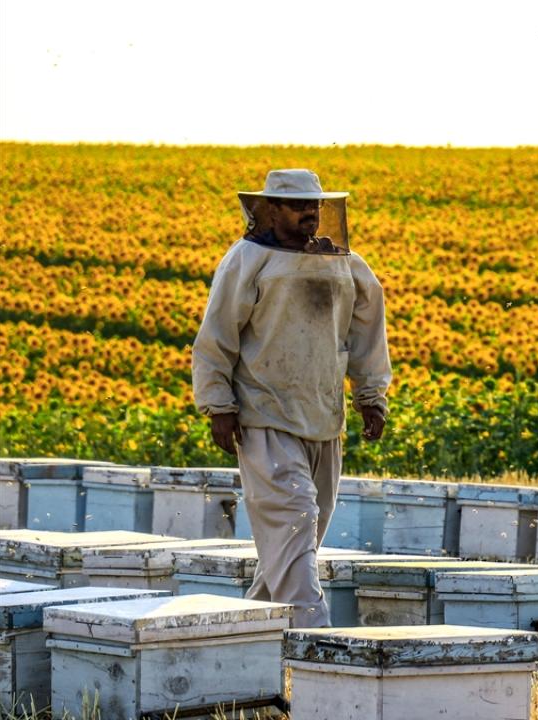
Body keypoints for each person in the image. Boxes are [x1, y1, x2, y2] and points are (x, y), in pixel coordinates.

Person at [192, 168, 391, 627]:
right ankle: (315, 645)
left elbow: (367, 335)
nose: (311, 213)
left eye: (316, 205)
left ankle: (248, 635)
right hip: (264, 417)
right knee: (296, 521)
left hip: (325, 419)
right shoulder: (248, 259)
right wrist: (218, 405)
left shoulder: (346, 264)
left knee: (298, 538)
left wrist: (371, 396)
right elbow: (215, 337)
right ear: (270, 209)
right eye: (299, 205)